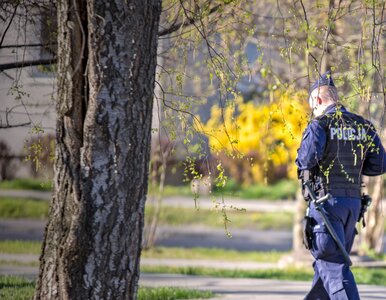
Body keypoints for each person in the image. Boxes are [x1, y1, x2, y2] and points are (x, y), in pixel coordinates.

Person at [296, 70, 386, 300]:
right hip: (352, 206)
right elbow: (379, 164)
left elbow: (307, 159)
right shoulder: (362, 125)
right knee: (326, 268)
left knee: (333, 267)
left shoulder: (320, 124)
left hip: (327, 207)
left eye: (311, 106)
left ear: (317, 100)